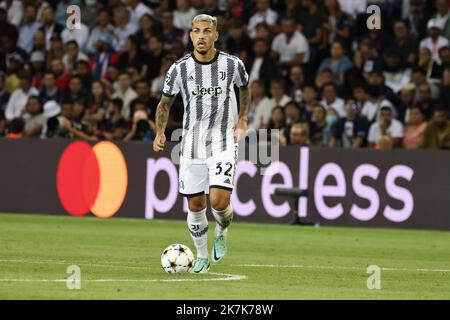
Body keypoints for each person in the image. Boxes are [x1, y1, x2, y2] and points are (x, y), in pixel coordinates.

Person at [153, 14, 250, 274]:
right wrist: (159, 131)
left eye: (207, 31)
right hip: (192, 143)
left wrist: (242, 120)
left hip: (223, 140)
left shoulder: (232, 64)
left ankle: (222, 230)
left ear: (216, 35)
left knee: (218, 201)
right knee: (195, 205)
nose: (201, 36)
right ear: (190, 35)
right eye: (196, 31)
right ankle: (201, 255)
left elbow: (245, 89)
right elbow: (165, 103)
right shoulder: (179, 69)